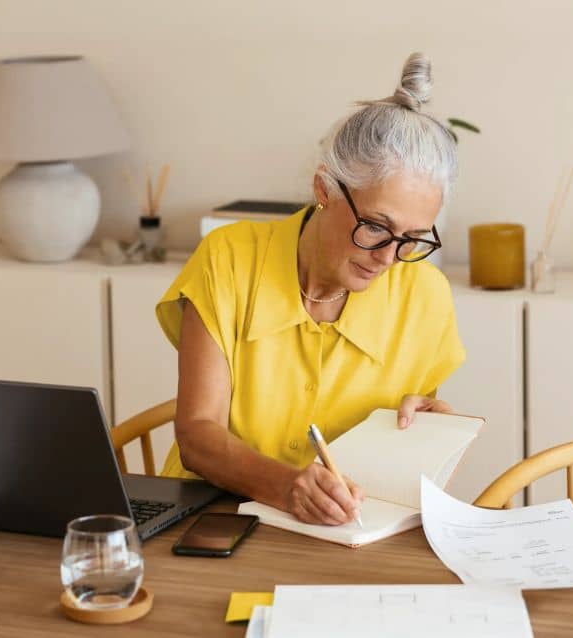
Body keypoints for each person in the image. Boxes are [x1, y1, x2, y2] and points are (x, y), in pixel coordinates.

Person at [155, 52, 465, 526]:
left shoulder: (425, 295)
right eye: (376, 227)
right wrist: (286, 485)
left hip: (343, 530)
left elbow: (401, 451)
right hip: (210, 518)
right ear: (325, 188)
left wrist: (425, 429)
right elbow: (197, 435)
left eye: (413, 238)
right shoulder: (229, 259)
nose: (388, 257)